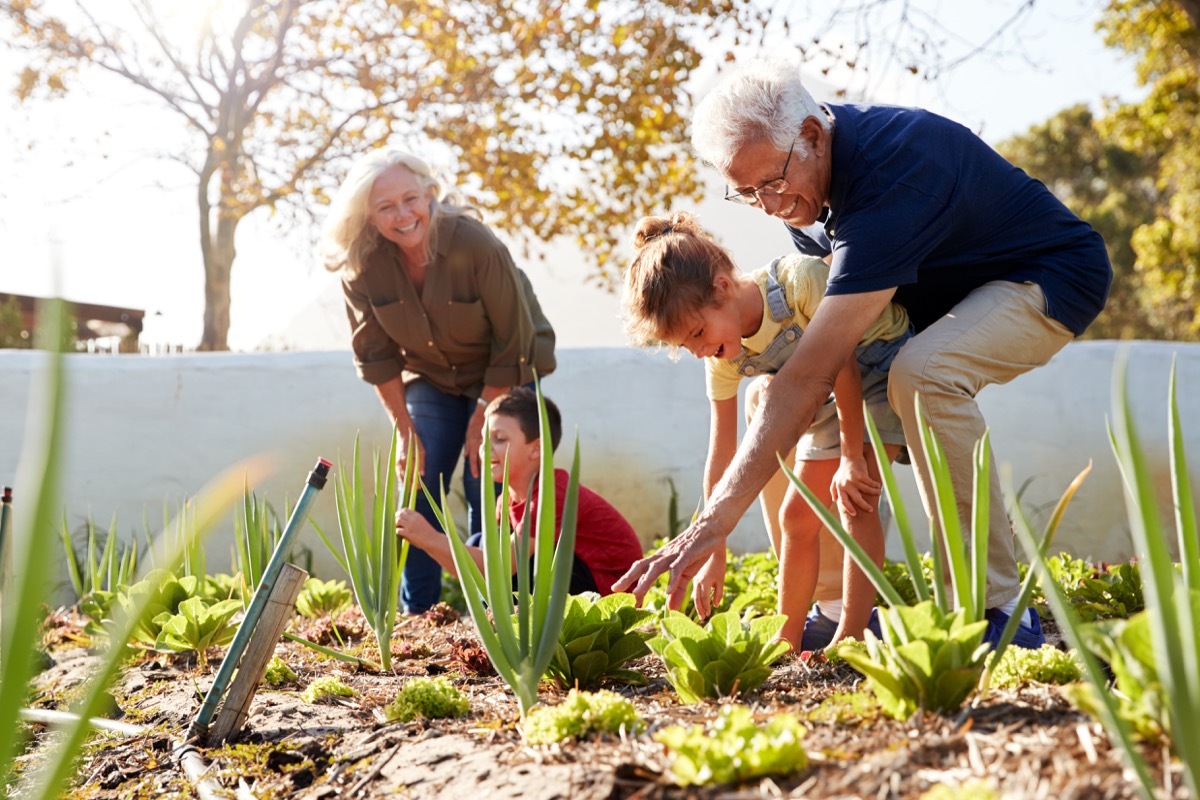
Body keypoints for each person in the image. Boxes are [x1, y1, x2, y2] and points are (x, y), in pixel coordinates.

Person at [615, 57, 1112, 649]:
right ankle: (831, 602)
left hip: (1048, 275)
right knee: (765, 397)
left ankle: (995, 607)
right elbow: (805, 372)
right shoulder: (807, 201)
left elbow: (815, 369)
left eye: (772, 183)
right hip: (938, 308)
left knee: (924, 373)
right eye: (749, 194)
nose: (770, 206)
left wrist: (712, 524)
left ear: (811, 134)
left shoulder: (891, 175)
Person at [622, 212, 910, 649]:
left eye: (699, 332)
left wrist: (851, 458)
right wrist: (712, 552)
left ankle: (851, 636)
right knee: (796, 516)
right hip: (828, 390)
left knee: (856, 501)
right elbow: (721, 455)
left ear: (722, 288)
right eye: (687, 346)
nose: (701, 351)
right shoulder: (721, 358)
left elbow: (845, 366)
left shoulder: (800, 283)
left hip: (880, 367)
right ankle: (785, 640)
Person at [320, 149, 556, 614]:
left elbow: (515, 341)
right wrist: (404, 431)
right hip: (430, 376)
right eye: (385, 207)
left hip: (507, 369)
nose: (403, 215)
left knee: (483, 476)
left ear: (430, 194)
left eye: (411, 199)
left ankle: (490, 612)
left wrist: (480, 421)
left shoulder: (475, 243)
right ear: (366, 215)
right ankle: (420, 615)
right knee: (419, 474)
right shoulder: (361, 265)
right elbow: (377, 358)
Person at [394, 387, 645, 595]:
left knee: (509, 559)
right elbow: (481, 572)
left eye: (500, 439)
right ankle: (504, 625)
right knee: (479, 543)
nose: (486, 448)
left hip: (607, 596)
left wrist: (429, 537)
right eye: (484, 439)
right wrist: (427, 542)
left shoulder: (551, 493)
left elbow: (499, 568)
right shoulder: (507, 500)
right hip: (575, 583)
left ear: (536, 449)